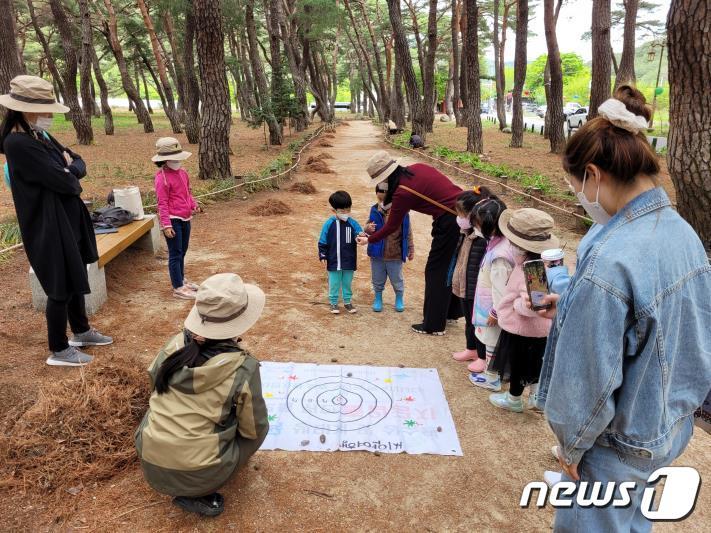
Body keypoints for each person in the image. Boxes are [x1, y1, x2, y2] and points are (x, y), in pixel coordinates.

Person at [534, 86, 711, 532]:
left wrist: (571, 448)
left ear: (593, 175)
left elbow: (588, 382)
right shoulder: (682, 232)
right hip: (667, 424)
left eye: (577, 187)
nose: (581, 198)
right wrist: (574, 303)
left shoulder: (613, 258)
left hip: (617, 444)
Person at [0, 75, 112, 366]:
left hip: (67, 218)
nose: (50, 116)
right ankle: (59, 349)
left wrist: (68, 167)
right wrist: (67, 172)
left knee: (75, 275)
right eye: (46, 109)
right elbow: (68, 184)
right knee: (58, 285)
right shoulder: (18, 143)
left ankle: (81, 331)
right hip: (47, 224)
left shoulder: (40, 135)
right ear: (24, 109)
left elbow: (77, 161)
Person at [135, 273, 268, 517]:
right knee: (255, 431)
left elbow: (154, 383)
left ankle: (174, 461)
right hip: (201, 472)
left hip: (150, 459)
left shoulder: (173, 346)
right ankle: (201, 490)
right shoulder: (242, 368)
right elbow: (254, 429)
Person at [357, 151, 463, 335]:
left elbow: (391, 226)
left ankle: (434, 325)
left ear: (386, 177)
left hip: (449, 221)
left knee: (436, 271)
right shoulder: (417, 168)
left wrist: (369, 239)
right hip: (462, 214)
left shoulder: (402, 192)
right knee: (449, 266)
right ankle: (450, 312)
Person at [488, 208, 558, 412]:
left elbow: (536, 306)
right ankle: (537, 398)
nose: (510, 245)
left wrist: (515, 304)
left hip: (525, 329)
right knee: (536, 364)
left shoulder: (534, 269)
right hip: (539, 329)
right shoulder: (540, 263)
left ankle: (514, 399)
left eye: (513, 242)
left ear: (523, 246)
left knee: (519, 364)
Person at [468, 197, 514, 388]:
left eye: (478, 225)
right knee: (490, 340)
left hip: (493, 309)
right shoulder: (498, 243)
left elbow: (501, 289)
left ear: (490, 226)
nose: (475, 228)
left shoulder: (500, 256)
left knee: (492, 342)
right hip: (489, 305)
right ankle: (494, 376)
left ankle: (492, 378)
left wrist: (495, 311)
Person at [153, 137, 200, 300]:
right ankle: (178, 287)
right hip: (173, 219)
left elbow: (188, 192)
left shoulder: (183, 173)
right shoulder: (162, 178)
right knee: (175, 253)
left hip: (185, 217)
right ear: (165, 160)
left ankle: (181, 279)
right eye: (175, 157)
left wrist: (194, 205)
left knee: (183, 250)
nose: (178, 160)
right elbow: (162, 203)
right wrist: (166, 225)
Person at [450, 188, 490, 362]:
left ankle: (482, 356)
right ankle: (471, 348)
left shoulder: (482, 239)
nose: (459, 218)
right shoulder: (465, 233)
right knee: (468, 321)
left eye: (462, 214)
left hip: (476, 290)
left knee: (478, 323)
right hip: (464, 286)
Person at [365, 184, 414, 312]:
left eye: (386, 201)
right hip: (377, 254)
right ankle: (378, 298)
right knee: (377, 278)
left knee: (397, 279)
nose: (383, 204)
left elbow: (408, 232)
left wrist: (410, 249)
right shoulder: (374, 210)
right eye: (380, 200)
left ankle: (399, 298)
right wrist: (367, 229)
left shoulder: (402, 213)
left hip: (395, 254)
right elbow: (367, 227)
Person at [318, 191, 364, 314]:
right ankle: (333, 303)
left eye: (347, 210)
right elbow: (322, 240)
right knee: (334, 282)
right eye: (342, 211)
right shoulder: (329, 224)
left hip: (349, 259)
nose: (345, 213)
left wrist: (360, 235)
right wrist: (322, 254)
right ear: (334, 210)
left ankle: (347, 302)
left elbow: (359, 232)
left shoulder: (352, 222)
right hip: (334, 260)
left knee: (347, 282)